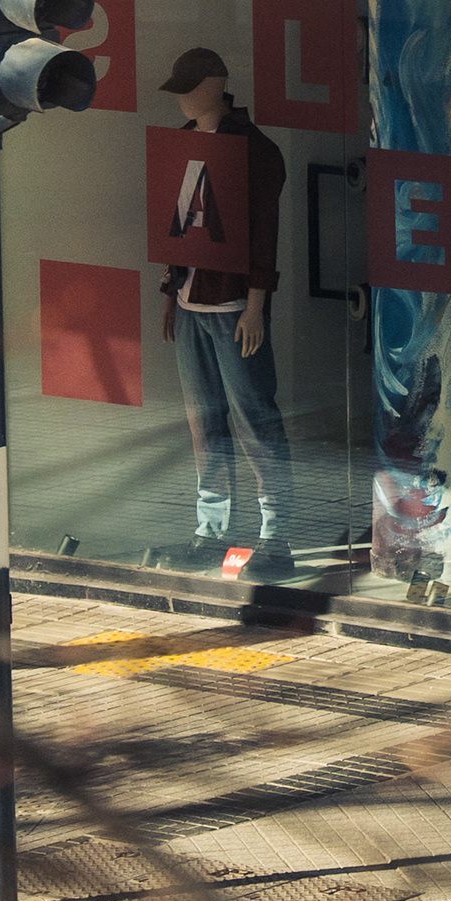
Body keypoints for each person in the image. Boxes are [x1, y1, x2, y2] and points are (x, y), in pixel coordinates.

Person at [155, 48, 295, 561]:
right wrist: (171, 292)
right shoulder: (185, 142)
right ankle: (211, 529)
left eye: (190, 89)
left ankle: (275, 533)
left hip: (234, 305)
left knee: (255, 417)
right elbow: (176, 223)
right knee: (203, 422)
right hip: (193, 301)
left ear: (216, 86)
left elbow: (263, 233)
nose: (182, 99)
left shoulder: (256, 151)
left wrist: (256, 304)